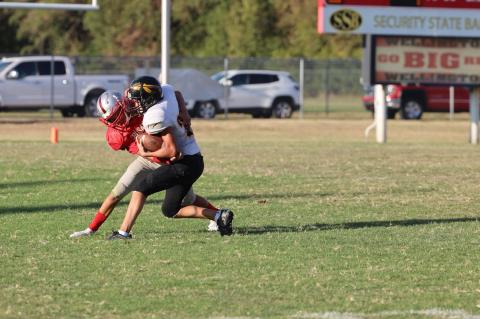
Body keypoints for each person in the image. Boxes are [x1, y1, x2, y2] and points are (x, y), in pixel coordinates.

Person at [70, 90, 218, 238]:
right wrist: (153, 153)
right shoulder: (115, 136)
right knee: (117, 192)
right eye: (111, 118)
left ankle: (217, 216)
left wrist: (184, 111)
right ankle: (91, 229)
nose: (115, 121)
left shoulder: (141, 104)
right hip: (147, 159)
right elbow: (140, 151)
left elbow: (175, 93)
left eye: (116, 114)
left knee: (188, 200)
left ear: (125, 105)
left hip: (172, 161)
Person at [107, 76, 234, 240]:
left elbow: (173, 152)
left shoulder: (154, 117)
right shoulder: (165, 92)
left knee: (141, 188)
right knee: (170, 210)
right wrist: (184, 111)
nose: (135, 104)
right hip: (195, 160)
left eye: (138, 101)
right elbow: (178, 93)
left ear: (148, 98)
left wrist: (146, 153)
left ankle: (123, 233)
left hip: (184, 163)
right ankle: (219, 216)